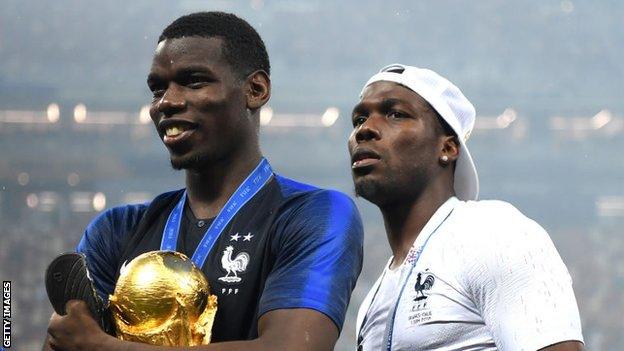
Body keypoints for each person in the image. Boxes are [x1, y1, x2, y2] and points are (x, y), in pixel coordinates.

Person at [45, 11, 363, 351]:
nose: (167, 101)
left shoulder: (312, 214)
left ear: (255, 90)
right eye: (158, 89)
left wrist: (101, 346)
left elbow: (292, 347)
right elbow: (65, 340)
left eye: (194, 81)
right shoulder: (115, 230)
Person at [350, 64, 584, 350]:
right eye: (359, 119)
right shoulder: (375, 296)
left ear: (447, 148)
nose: (365, 130)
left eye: (396, 114)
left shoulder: (492, 233)